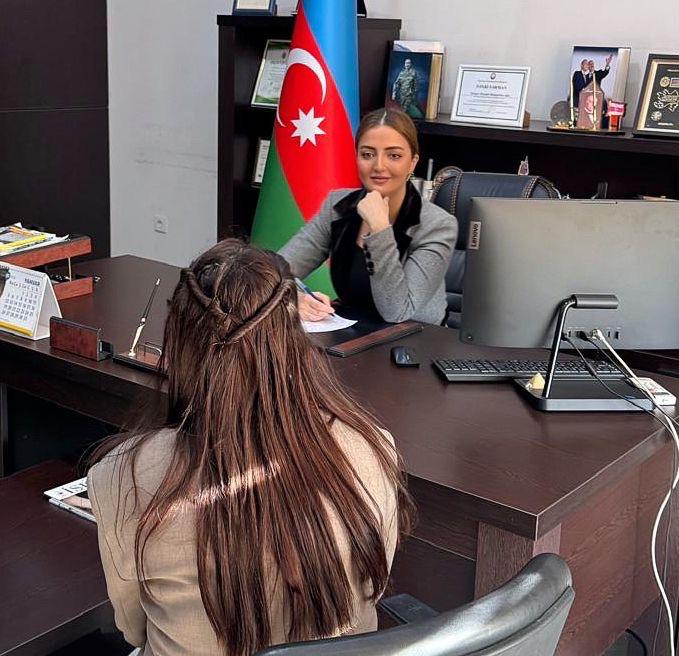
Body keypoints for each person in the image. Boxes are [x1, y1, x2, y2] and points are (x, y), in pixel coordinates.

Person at [87, 240, 413, 656]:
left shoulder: (122, 475)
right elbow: (372, 588)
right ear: (294, 341)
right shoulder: (372, 446)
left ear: (180, 344)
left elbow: (132, 629)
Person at [279, 108, 457, 325]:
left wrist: (380, 229)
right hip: (350, 330)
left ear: (412, 162)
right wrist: (294, 297)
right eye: (367, 154)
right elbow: (273, 271)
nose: (379, 166)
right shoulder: (339, 206)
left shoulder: (438, 225)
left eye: (394, 155)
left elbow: (398, 312)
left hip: (416, 336)